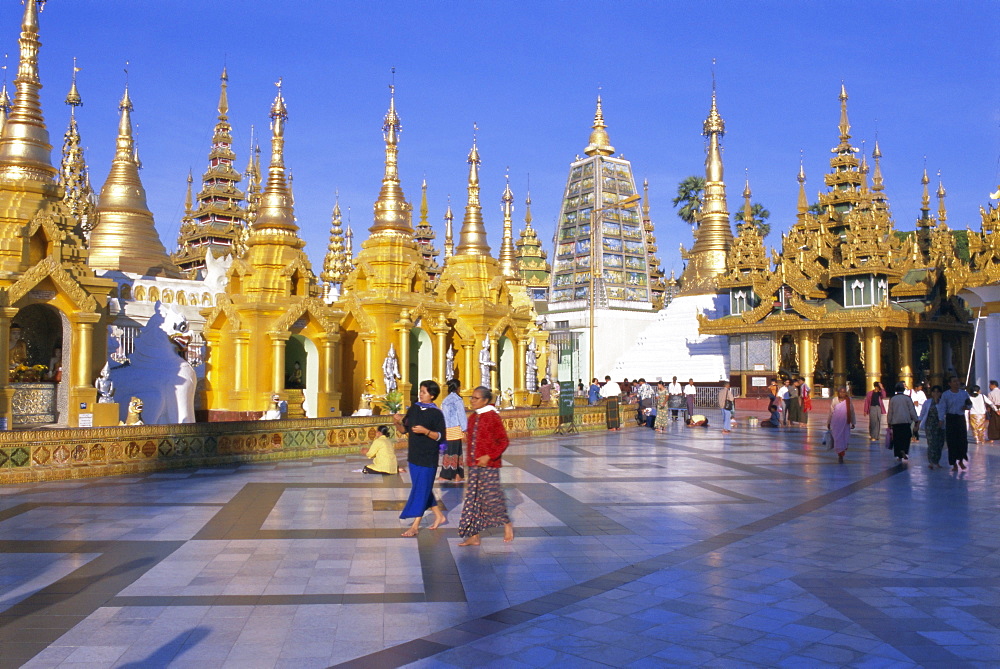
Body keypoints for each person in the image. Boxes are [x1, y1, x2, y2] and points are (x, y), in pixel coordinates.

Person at [457, 386, 514, 546]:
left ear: (486, 400)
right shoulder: (473, 417)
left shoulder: (492, 417)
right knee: (473, 499)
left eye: (476, 398)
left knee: (491, 498)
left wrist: (489, 456)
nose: (472, 401)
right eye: (472, 398)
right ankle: (474, 536)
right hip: (474, 465)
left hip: (489, 465)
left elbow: (504, 441)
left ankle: (506, 523)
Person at [394, 380, 447, 536]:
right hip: (414, 455)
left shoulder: (436, 414)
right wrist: (397, 422)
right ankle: (439, 515)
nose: (420, 394)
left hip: (428, 456)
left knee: (420, 489)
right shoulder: (414, 408)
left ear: (432, 395)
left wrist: (426, 431)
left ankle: (415, 526)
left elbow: (440, 436)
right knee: (422, 487)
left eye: (424, 392)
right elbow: (404, 429)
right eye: (420, 391)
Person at [938, 375, 972, 471]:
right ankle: (953, 463)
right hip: (950, 418)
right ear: (949, 383)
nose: (956, 383)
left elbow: (969, 403)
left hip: (960, 418)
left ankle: (961, 460)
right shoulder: (946, 395)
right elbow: (942, 407)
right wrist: (941, 419)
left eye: (957, 381)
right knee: (952, 441)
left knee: (962, 440)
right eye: (954, 381)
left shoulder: (964, 393)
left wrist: (967, 407)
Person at [439, 379, 467, 482]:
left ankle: (457, 474)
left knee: (450, 451)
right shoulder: (457, 399)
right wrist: (465, 428)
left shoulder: (445, 400)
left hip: (447, 429)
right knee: (455, 451)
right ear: (457, 387)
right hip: (455, 428)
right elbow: (461, 415)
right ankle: (448, 475)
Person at [887, 382, 919, 462]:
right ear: (903, 389)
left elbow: (890, 411)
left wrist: (889, 422)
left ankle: (898, 454)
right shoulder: (907, 398)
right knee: (906, 437)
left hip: (896, 422)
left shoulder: (893, 399)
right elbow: (912, 410)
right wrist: (916, 420)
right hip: (906, 422)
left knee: (897, 438)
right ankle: (904, 451)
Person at [826, 386, 855, 463]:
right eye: (841, 392)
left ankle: (842, 453)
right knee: (837, 439)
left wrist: (853, 422)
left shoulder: (849, 400)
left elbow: (851, 411)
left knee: (844, 438)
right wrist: (828, 422)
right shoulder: (835, 400)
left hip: (845, 423)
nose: (842, 394)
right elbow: (831, 412)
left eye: (844, 392)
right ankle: (840, 454)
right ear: (838, 392)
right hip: (836, 423)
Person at [919, 385, 945, 469]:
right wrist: (918, 423)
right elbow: (922, 413)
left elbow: (944, 413)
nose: (936, 393)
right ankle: (931, 461)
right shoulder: (927, 402)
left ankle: (937, 461)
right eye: (934, 392)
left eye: (938, 392)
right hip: (930, 425)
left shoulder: (943, 402)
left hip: (940, 426)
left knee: (939, 444)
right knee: (931, 443)